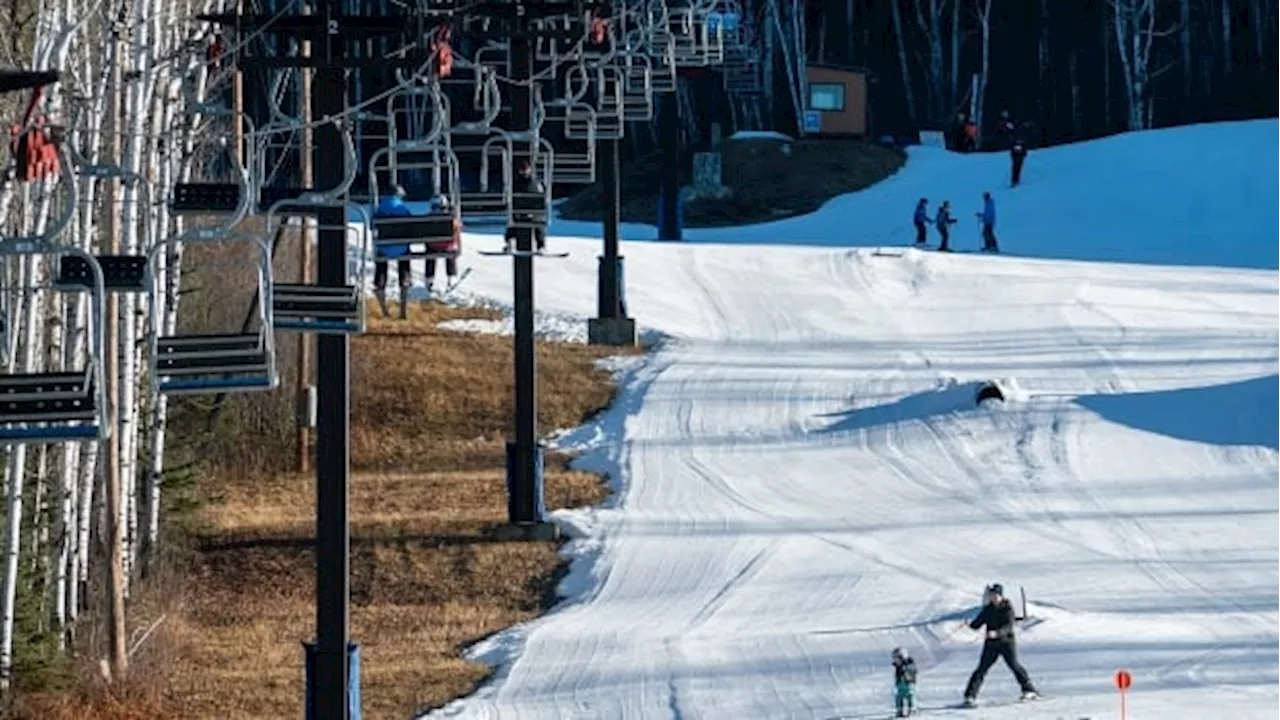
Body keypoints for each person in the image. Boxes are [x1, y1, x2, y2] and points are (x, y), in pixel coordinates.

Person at [962, 583, 1038, 708]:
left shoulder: (1007, 608)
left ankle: (1029, 690)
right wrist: (969, 625)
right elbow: (977, 623)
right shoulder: (988, 609)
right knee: (981, 669)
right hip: (991, 645)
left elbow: (1008, 626)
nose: (994, 598)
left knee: (1014, 665)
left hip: (1007, 643)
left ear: (1001, 596)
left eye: (996, 595)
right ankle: (969, 696)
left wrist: (997, 633)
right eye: (992, 595)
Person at [373, 185, 414, 316]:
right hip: (401, 248)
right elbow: (411, 226)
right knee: (404, 261)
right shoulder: (403, 208)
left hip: (383, 247)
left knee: (381, 264)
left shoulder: (380, 207)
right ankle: (403, 305)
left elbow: (372, 225)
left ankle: (382, 299)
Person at [504, 159, 546, 253]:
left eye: (525, 169)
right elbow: (511, 197)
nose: (524, 172)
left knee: (538, 223)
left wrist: (537, 209)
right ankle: (510, 242)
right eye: (522, 170)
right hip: (519, 209)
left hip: (533, 209)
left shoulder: (535, 182)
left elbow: (540, 197)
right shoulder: (516, 182)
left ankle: (541, 245)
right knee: (512, 222)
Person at [424, 194, 461, 296]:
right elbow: (457, 229)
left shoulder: (428, 217)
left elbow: (423, 231)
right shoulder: (451, 217)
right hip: (447, 246)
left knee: (430, 252)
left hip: (432, 247)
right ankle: (451, 277)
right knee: (451, 250)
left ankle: (429, 279)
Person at [892, 647, 918, 717]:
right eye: (894, 659)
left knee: (910, 695)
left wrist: (906, 669)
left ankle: (912, 709)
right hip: (900, 684)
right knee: (899, 697)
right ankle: (899, 710)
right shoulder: (898, 667)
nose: (896, 661)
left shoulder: (909, 664)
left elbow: (914, 670)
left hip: (908, 684)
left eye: (897, 659)